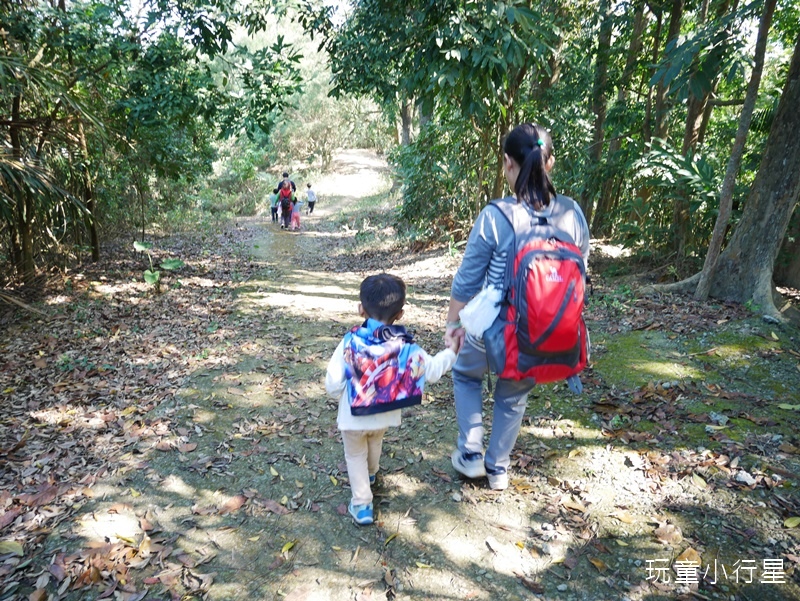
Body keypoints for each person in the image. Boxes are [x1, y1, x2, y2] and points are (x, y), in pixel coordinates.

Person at [444, 123, 590, 491]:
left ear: (508, 163)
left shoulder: (496, 215)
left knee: (465, 373)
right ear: (549, 162)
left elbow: (466, 280)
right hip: (540, 331)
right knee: (514, 393)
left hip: (491, 328)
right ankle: (499, 469)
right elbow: (580, 271)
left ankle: (471, 454)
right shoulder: (572, 214)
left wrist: (452, 323)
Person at [326, 274, 457, 525]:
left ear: (360, 309)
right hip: (385, 412)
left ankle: (362, 504)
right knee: (375, 441)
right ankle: (372, 473)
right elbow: (431, 371)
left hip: (353, 415)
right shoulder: (407, 346)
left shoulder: (350, 342)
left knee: (354, 456)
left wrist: (340, 393)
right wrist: (451, 352)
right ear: (401, 314)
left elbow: (332, 382)